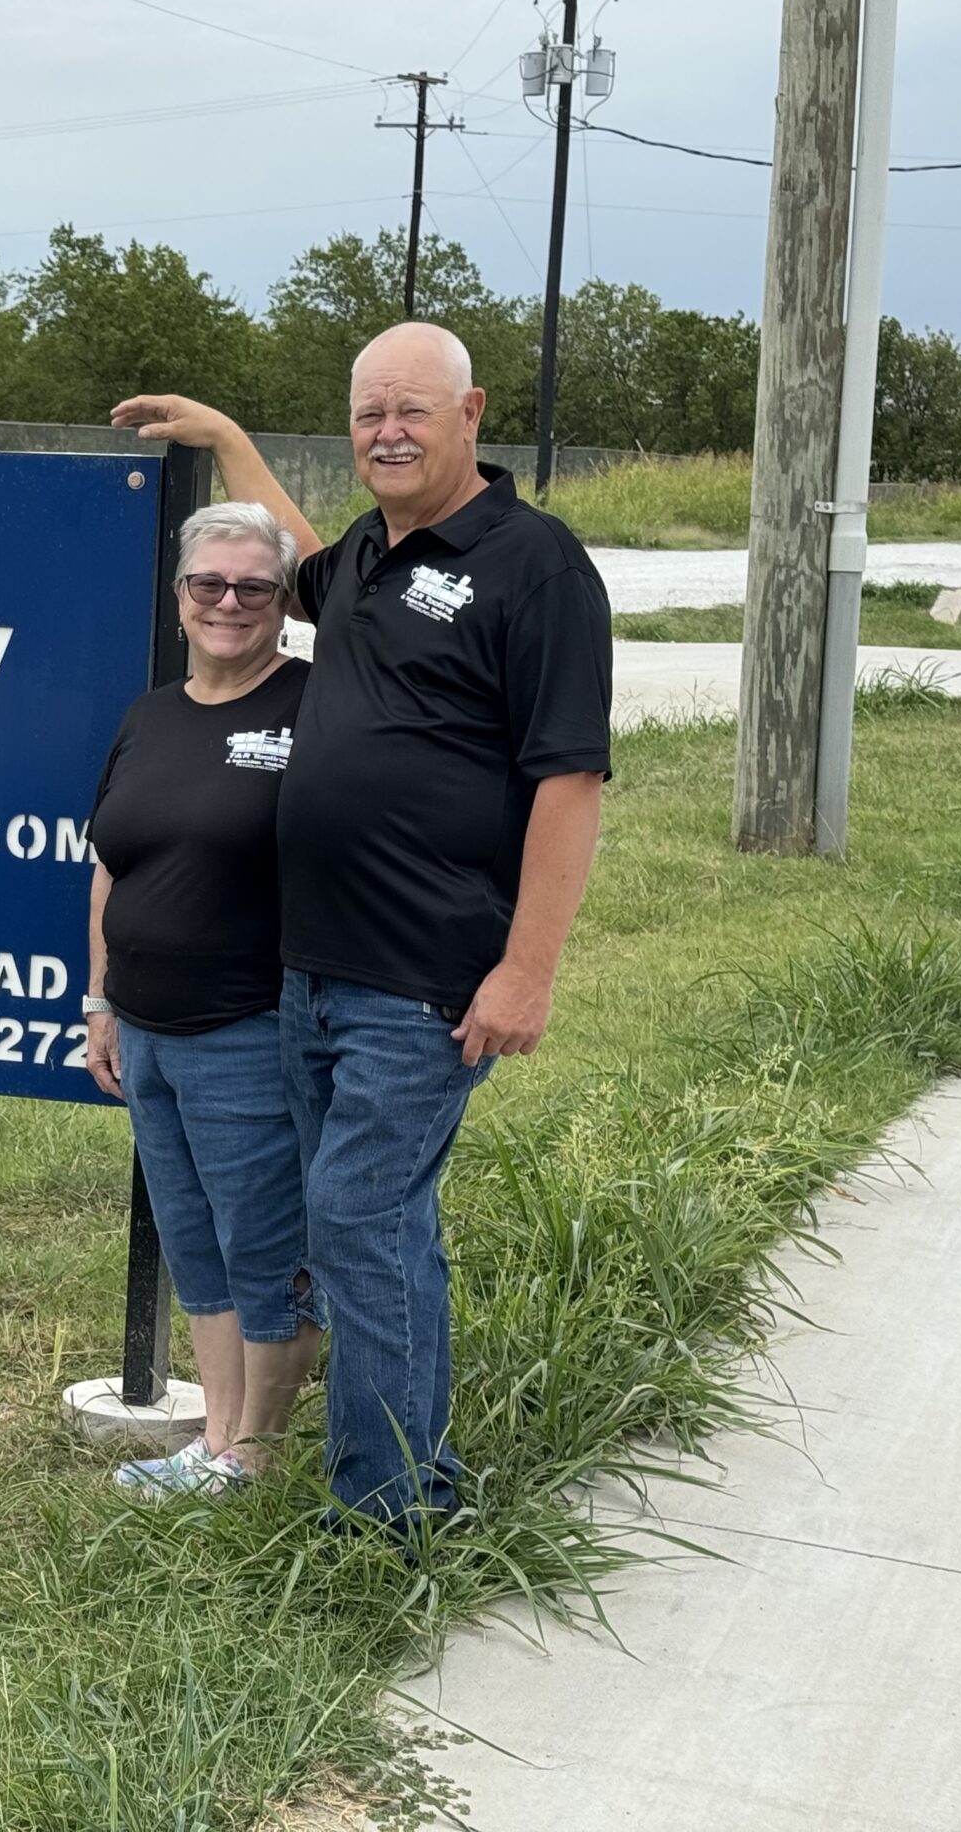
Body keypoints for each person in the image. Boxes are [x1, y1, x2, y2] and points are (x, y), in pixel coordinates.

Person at [115, 322, 611, 1528]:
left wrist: (526, 971)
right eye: (366, 415)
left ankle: (390, 1511)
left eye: (411, 411)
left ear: (471, 414)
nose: (387, 432)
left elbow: (568, 781)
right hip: (312, 970)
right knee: (375, 1227)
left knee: (357, 1217)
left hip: (425, 971)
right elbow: (296, 546)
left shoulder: (531, 565)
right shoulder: (371, 564)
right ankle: (389, 1471)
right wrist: (230, 438)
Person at [83, 500, 327, 1499]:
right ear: (179, 596)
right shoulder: (151, 716)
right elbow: (111, 864)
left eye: (253, 587)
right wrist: (99, 1000)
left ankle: (253, 1456)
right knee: (197, 1245)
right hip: (145, 1028)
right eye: (207, 584)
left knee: (266, 1247)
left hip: (253, 1027)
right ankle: (216, 1439)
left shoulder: (318, 705)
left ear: (283, 601)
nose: (228, 603)